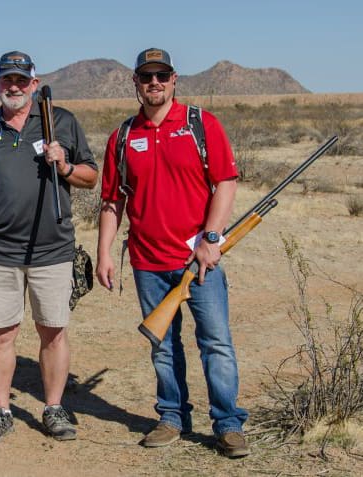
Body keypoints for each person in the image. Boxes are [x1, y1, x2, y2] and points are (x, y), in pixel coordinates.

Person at [95, 47, 250, 458]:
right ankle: (171, 417)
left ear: (174, 79)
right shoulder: (124, 136)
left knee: (215, 342)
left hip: (199, 261)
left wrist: (211, 239)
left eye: (161, 75)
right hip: (146, 261)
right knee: (162, 345)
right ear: (135, 83)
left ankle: (228, 424)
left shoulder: (201, 124)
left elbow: (226, 183)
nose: (155, 83)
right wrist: (105, 253)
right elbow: (112, 201)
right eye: (147, 77)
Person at [0, 51, 98, 444]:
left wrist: (67, 166)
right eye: (8, 80)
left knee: (53, 332)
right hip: (1, 251)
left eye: (23, 80)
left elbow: (92, 176)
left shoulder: (62, 122)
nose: (15, 87)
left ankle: (54, 408)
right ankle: (1, 411)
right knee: (1, 335)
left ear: (35, 85)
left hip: (52, 249)